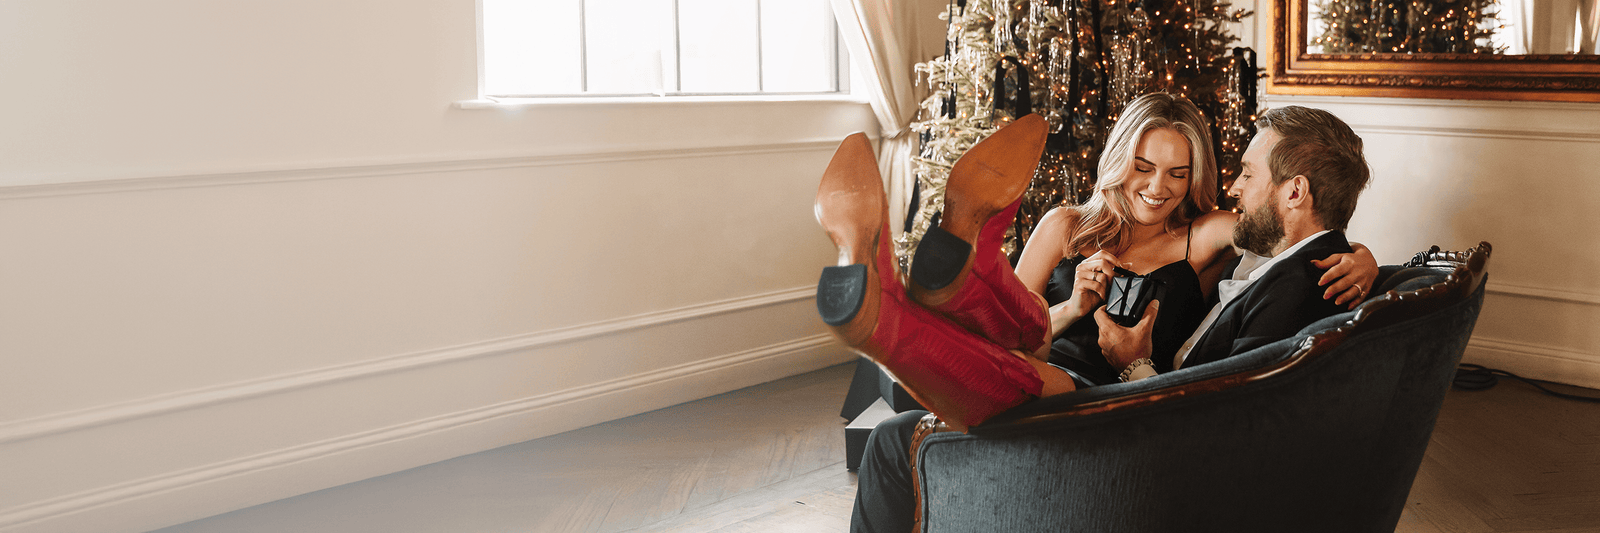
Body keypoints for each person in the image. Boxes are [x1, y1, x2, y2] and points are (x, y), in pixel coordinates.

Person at [838, 102, 1374, 533]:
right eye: (1143, 167)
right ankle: (959, 267)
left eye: (1178, 174)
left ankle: (895, 310)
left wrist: (1362, 256)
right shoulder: (1064, 224)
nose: (1158, 187)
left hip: (1106, 399)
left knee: (918, 423)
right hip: (1028, 364)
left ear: (1193, 180)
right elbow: (1007, 344)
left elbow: (1291, 233)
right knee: (1013, 334)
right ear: (1119, 160)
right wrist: (1072, 308)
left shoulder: (1203, 236)